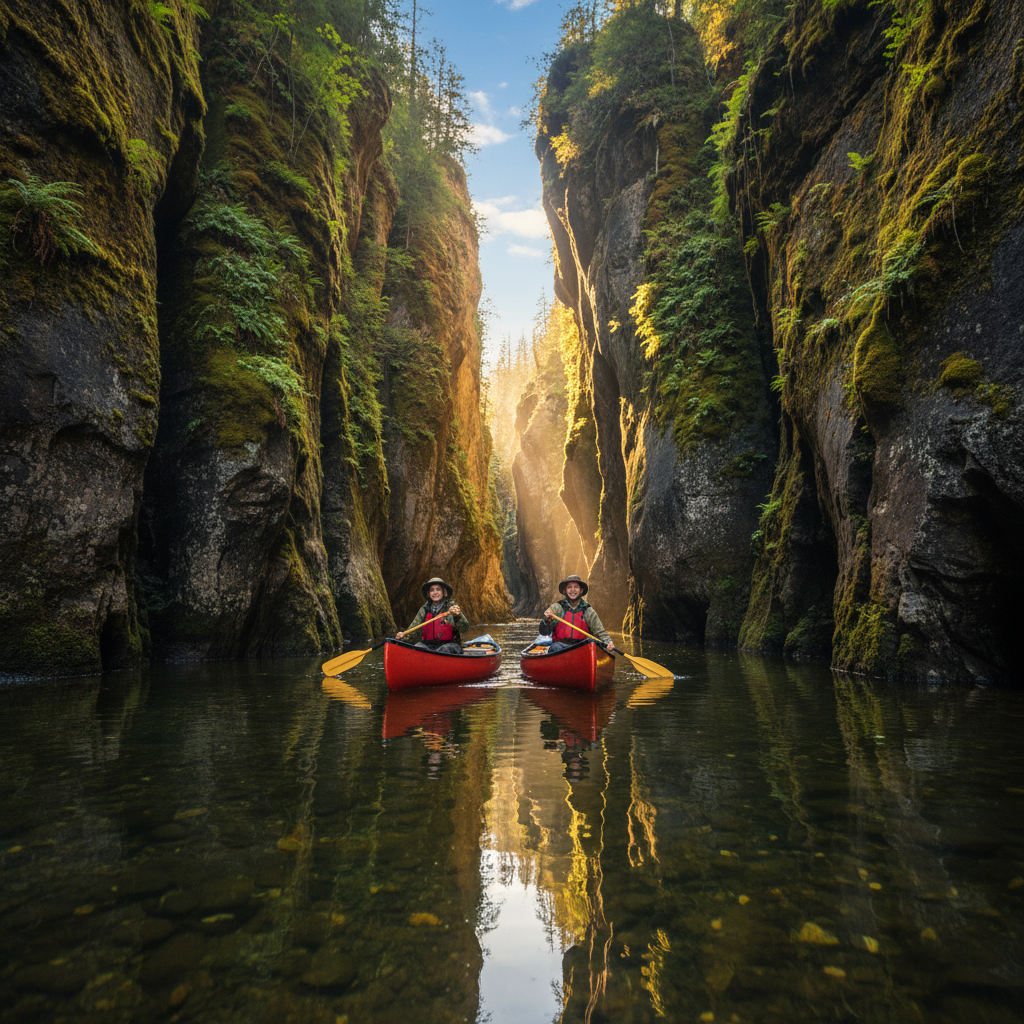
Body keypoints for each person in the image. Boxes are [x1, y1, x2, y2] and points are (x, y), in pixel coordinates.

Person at [539, 575, 615, 654]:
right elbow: (544, 632)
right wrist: (546, 620)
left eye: (576, 587)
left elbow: (600, 632)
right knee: (555, 647)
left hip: (582, 647)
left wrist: (608, 642)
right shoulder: (557, 608)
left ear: (581, 590)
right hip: (561, 647)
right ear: (565, 590)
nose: (572, 590)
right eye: (569, 587)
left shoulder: (588, 611)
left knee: (592, 642)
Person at [396, 577, 469, 655]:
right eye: (432, 590)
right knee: (417, 647)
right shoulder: (424, 610)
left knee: (444, 649)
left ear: (444, 592)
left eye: (438, 589)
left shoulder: (451, 608)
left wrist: (457, 616)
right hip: (428, 646)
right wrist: (403, 637)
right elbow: (413, 632)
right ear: (428, 593)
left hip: (451, 645)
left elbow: (464, 628)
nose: (435, 592)